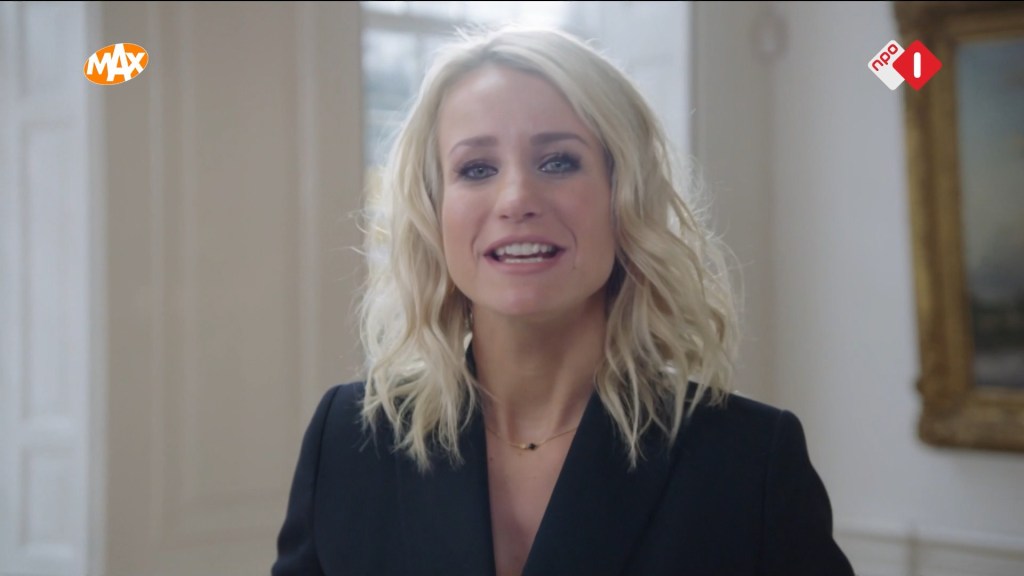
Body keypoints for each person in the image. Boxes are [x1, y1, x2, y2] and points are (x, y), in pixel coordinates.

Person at [272, 27, 854, 576]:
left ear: (622, 198)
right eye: (477, 168)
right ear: (434, 211)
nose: (516, 198)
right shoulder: (346, 440)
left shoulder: (750, 460)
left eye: (558, 162)